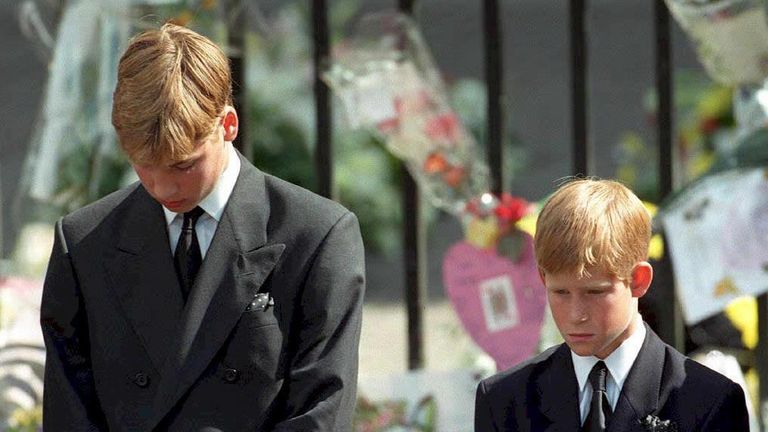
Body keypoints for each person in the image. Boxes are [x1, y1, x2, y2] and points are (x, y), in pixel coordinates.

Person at [40, 23, 365, 431]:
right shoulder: (84, 243)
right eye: (144, 165)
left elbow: (321, 414)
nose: (163, 187)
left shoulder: (317, 236)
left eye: (183, 165)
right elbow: (68, 415)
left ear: (228, 125)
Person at [474, 179, 748, 431]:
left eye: (595, 292)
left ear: (639, 280)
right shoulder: (503, 401)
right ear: (543, 278)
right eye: (560, 292)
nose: (576, 315)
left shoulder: (710, 401)